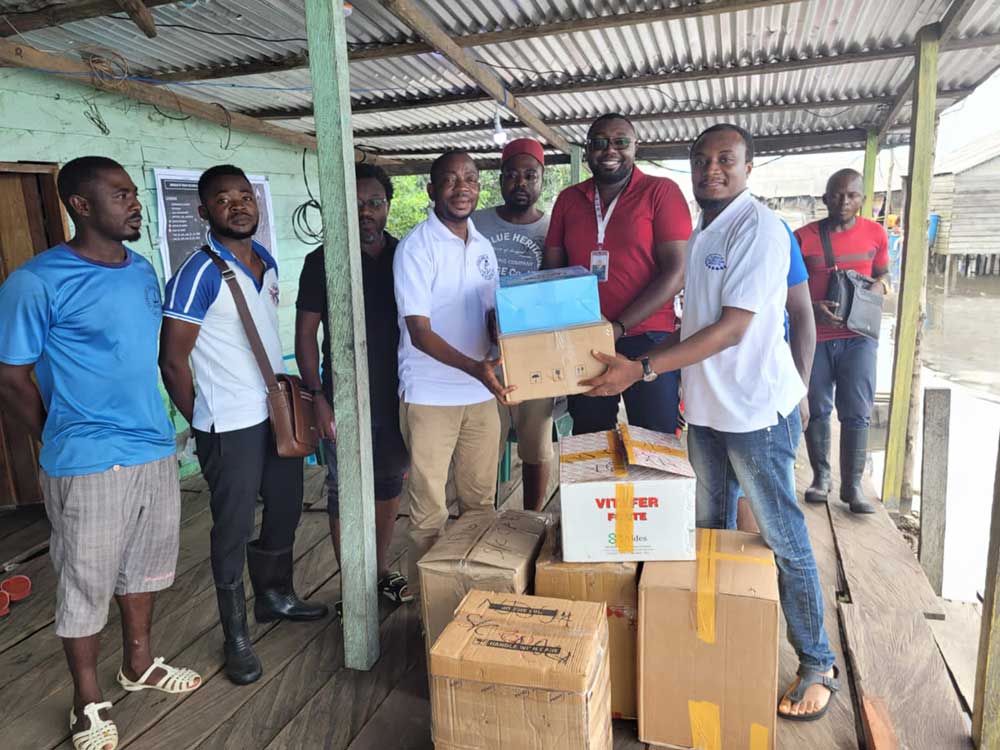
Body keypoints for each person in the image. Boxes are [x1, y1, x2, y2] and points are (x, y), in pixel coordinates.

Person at [582, 124, 839, 721]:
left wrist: (641, 369)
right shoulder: (704, 234)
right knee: (707, 528)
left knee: (782, 537)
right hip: (706, 413)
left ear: (750, 166)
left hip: (753, 413)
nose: (711, 170)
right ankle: (721, 633)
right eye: (700, 160)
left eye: (726, 159)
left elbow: (732, 328)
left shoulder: (761, 229)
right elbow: (695, 327)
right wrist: (635, 358)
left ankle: (817, 662)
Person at [0, 157, 200, 750]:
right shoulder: (35, 282)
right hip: (86, 462)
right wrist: (59, 436)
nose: (134, 204)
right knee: (84, 584)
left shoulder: (142, 271)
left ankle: (138, 665)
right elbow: (11, 380)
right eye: (120, 195)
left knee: (145, 568)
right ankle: (88, 702)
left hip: (151, 448)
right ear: (80, 206)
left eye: (134, 193)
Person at [159, 164, 327, 687]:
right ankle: (235, 634)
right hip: (227, 424)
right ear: (203, 210)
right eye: (223, 199)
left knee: (285, 506)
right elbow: (171, 360)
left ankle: (275, 596)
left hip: (273, 413)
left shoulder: (268, 262)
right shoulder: (198, 273)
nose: (237, 205)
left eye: (244, 196)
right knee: (232, 527)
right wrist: (204, 423)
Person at [295, 163, 411, 616]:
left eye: (374, 203)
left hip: (398, 396)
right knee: (345, 490)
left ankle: (379, 571)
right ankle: (353, 585)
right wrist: (317, 397)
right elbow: (306, 336)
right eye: (355, 203)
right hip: (343, 396)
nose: (365, 211)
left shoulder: (405, 255)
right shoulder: (322, 261)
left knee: (388, 485)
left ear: (387, 206)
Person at [393, 150, 509, 597]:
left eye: (471, 179)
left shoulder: (482, 245)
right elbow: (419, 332)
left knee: (480, 501)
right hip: (430, 396)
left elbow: (489, 314)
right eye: (450, 180)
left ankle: (476, 590)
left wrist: (506, 340)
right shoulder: (416, 247)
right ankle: (432, 603)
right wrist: (477, 369)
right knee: (430, 511)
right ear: (431, 189)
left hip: (480, 393)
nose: (462, 188)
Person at [543, 113, 691, 435]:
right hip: (586, 337)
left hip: (649, 339)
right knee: (591, 438)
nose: (610, 150)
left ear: (636, 146)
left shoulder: (661, 192)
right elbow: (551, 272)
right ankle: (598, 489)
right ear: (587, 151)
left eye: (620, 142)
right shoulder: (569, 199)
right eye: (599, 143)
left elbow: (677, 271)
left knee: (654, 439)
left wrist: (619, 327)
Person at [796, 169, 890, 515]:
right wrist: (811, 307)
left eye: (851, 195)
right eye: (837, 195)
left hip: (859, 338)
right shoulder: (802, 238)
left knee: (857, 410)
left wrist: (879, 289)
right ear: (825, 198)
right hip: (815, 337)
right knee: (817, 407)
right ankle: (821, 478)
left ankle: (852, 487)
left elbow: (883, 274)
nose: (844, 202)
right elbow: (784, 286)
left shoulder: (876, 234)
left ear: (863, 199)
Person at [472, 138, 554, 511]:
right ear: (500, 180)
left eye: (529, 175)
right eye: (511, 175)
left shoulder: (554, 227)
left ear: (541, 180)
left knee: (535, 446)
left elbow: (559, 288)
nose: (520, 183)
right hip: (479, 353)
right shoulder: (476, 223)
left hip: (534, 355)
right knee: (483, 445)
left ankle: (531, 519)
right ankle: (482, 524)